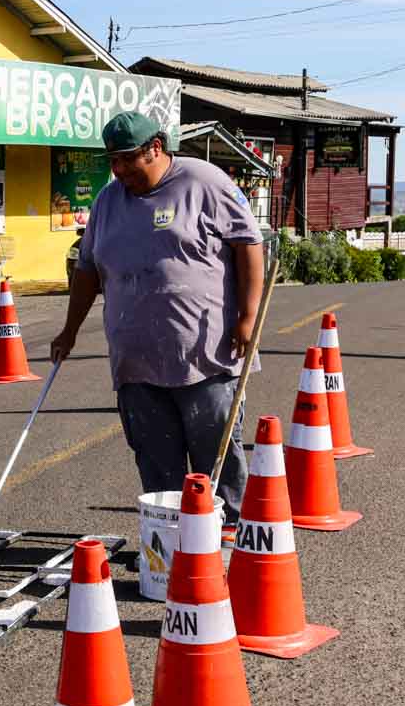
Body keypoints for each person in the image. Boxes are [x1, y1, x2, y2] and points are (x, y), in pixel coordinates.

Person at [50, 112, 264, 531]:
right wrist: (69, 330)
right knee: (158, 470)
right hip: (136, 364)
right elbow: (88, 269)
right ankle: (168, 548)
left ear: (156, 147)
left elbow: (248, 245)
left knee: (216, 462)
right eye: (113, 160)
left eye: (128, 158)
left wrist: (247, 316)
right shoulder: (107, 202)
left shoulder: (204, 182)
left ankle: (228, 544)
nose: (120, 169)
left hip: (205, 358)